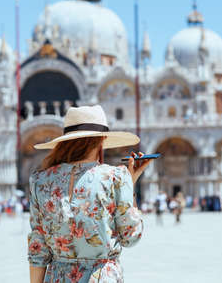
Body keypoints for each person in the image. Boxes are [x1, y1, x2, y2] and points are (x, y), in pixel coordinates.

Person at [27, 105, 150, 283]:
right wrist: (129, 186)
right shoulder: (116, 177)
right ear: (102, 140)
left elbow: (37, 249)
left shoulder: (40, 180)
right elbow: (131, 236)